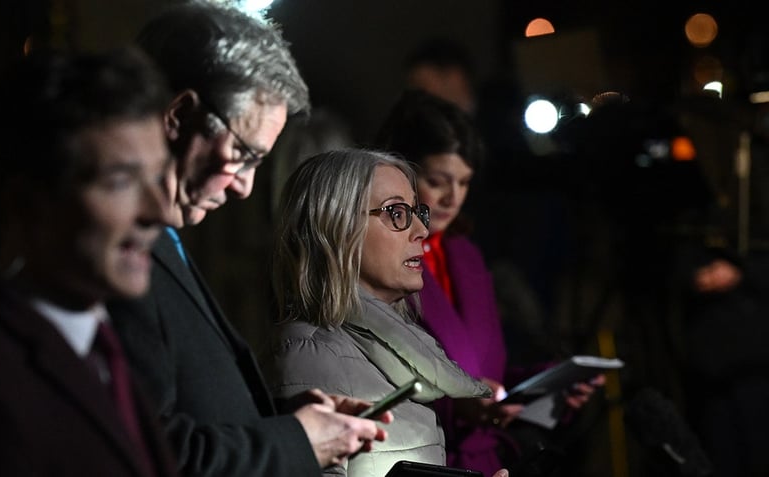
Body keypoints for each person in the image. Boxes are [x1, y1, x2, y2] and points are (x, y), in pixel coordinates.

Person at [105, 3, 389, 476]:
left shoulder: (161, 239)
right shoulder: (113, 255)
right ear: (179, 115)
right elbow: (149, 453)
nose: (244, 187)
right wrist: (294, 441)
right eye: (244, 154)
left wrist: (276, 419)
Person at [0, 48, 177, 476]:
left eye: (156, 177)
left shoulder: (103, 347)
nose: (159, 212)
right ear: (26, 203)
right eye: (120, 182)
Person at [375, 90, 604, 476]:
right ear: (400, 176)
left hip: (486, 460)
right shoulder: (381, 262)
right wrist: (460, 403)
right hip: (422, 460)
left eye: (464, 183)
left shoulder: (464, 255)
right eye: (437, 181)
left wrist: (544, 384)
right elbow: (370, 383)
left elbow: (485, 373)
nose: (452, 198)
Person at [265, 149, 498, 477]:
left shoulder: (402, 347)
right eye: (396, 213)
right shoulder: (313, 350)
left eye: (417, 212)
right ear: (337, 227)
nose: (421, 230)